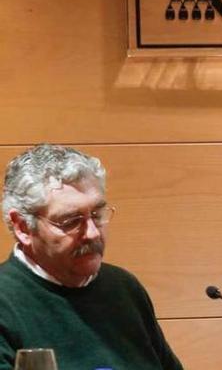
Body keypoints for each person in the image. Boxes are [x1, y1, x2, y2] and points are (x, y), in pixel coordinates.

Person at [0, 143, 183, 369]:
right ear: (23, 227)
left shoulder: (123, 287)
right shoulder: (6, 301)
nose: (92, 233)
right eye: (71, 221)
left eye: (96, 215)